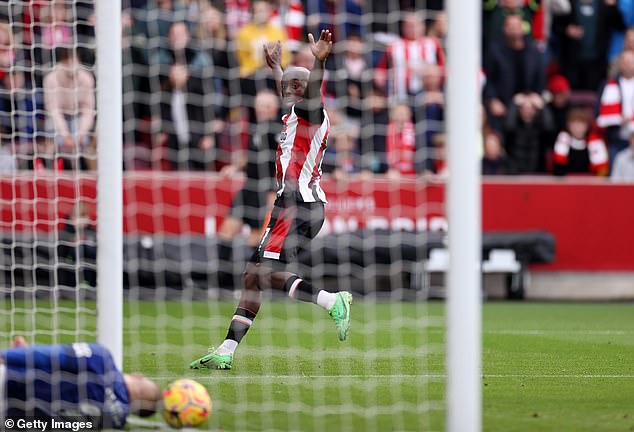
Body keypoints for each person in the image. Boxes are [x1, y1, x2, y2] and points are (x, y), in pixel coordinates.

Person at [190, 30, 352, 371]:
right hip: (290, 205)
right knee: (253, 274)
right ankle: (227, 349)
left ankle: (331, 300)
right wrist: (277, 67)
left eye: (293, 86)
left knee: (262, 273)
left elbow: (310, 91)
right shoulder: (294, 112)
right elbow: (292, 88)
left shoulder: (312, 113)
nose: (286, 89)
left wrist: (319, 62)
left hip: (299, 204)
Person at [0, 336, 161, 429]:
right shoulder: (113, 420)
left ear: (138, 376)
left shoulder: (102, 360)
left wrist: (9, 356)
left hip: (8, 379)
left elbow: (53, 356)